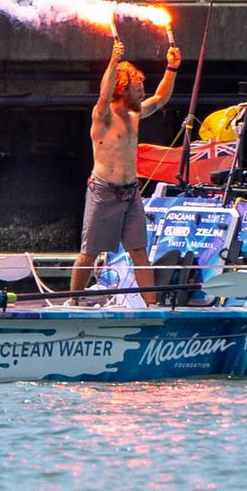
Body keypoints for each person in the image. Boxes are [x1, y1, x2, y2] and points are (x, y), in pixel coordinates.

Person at [69, 38, 181, 305]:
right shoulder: (103, 115)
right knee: (90, 251)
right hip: (104, 191)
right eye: (138, 89)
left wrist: (172, 68)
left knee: (139, 251)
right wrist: (113, 61)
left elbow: (162, 98)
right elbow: (103, 95)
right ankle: (73, 300)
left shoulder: (135, 114)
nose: (143, 94)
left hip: (130, 193)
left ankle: (152, 305)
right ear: (123, 89)